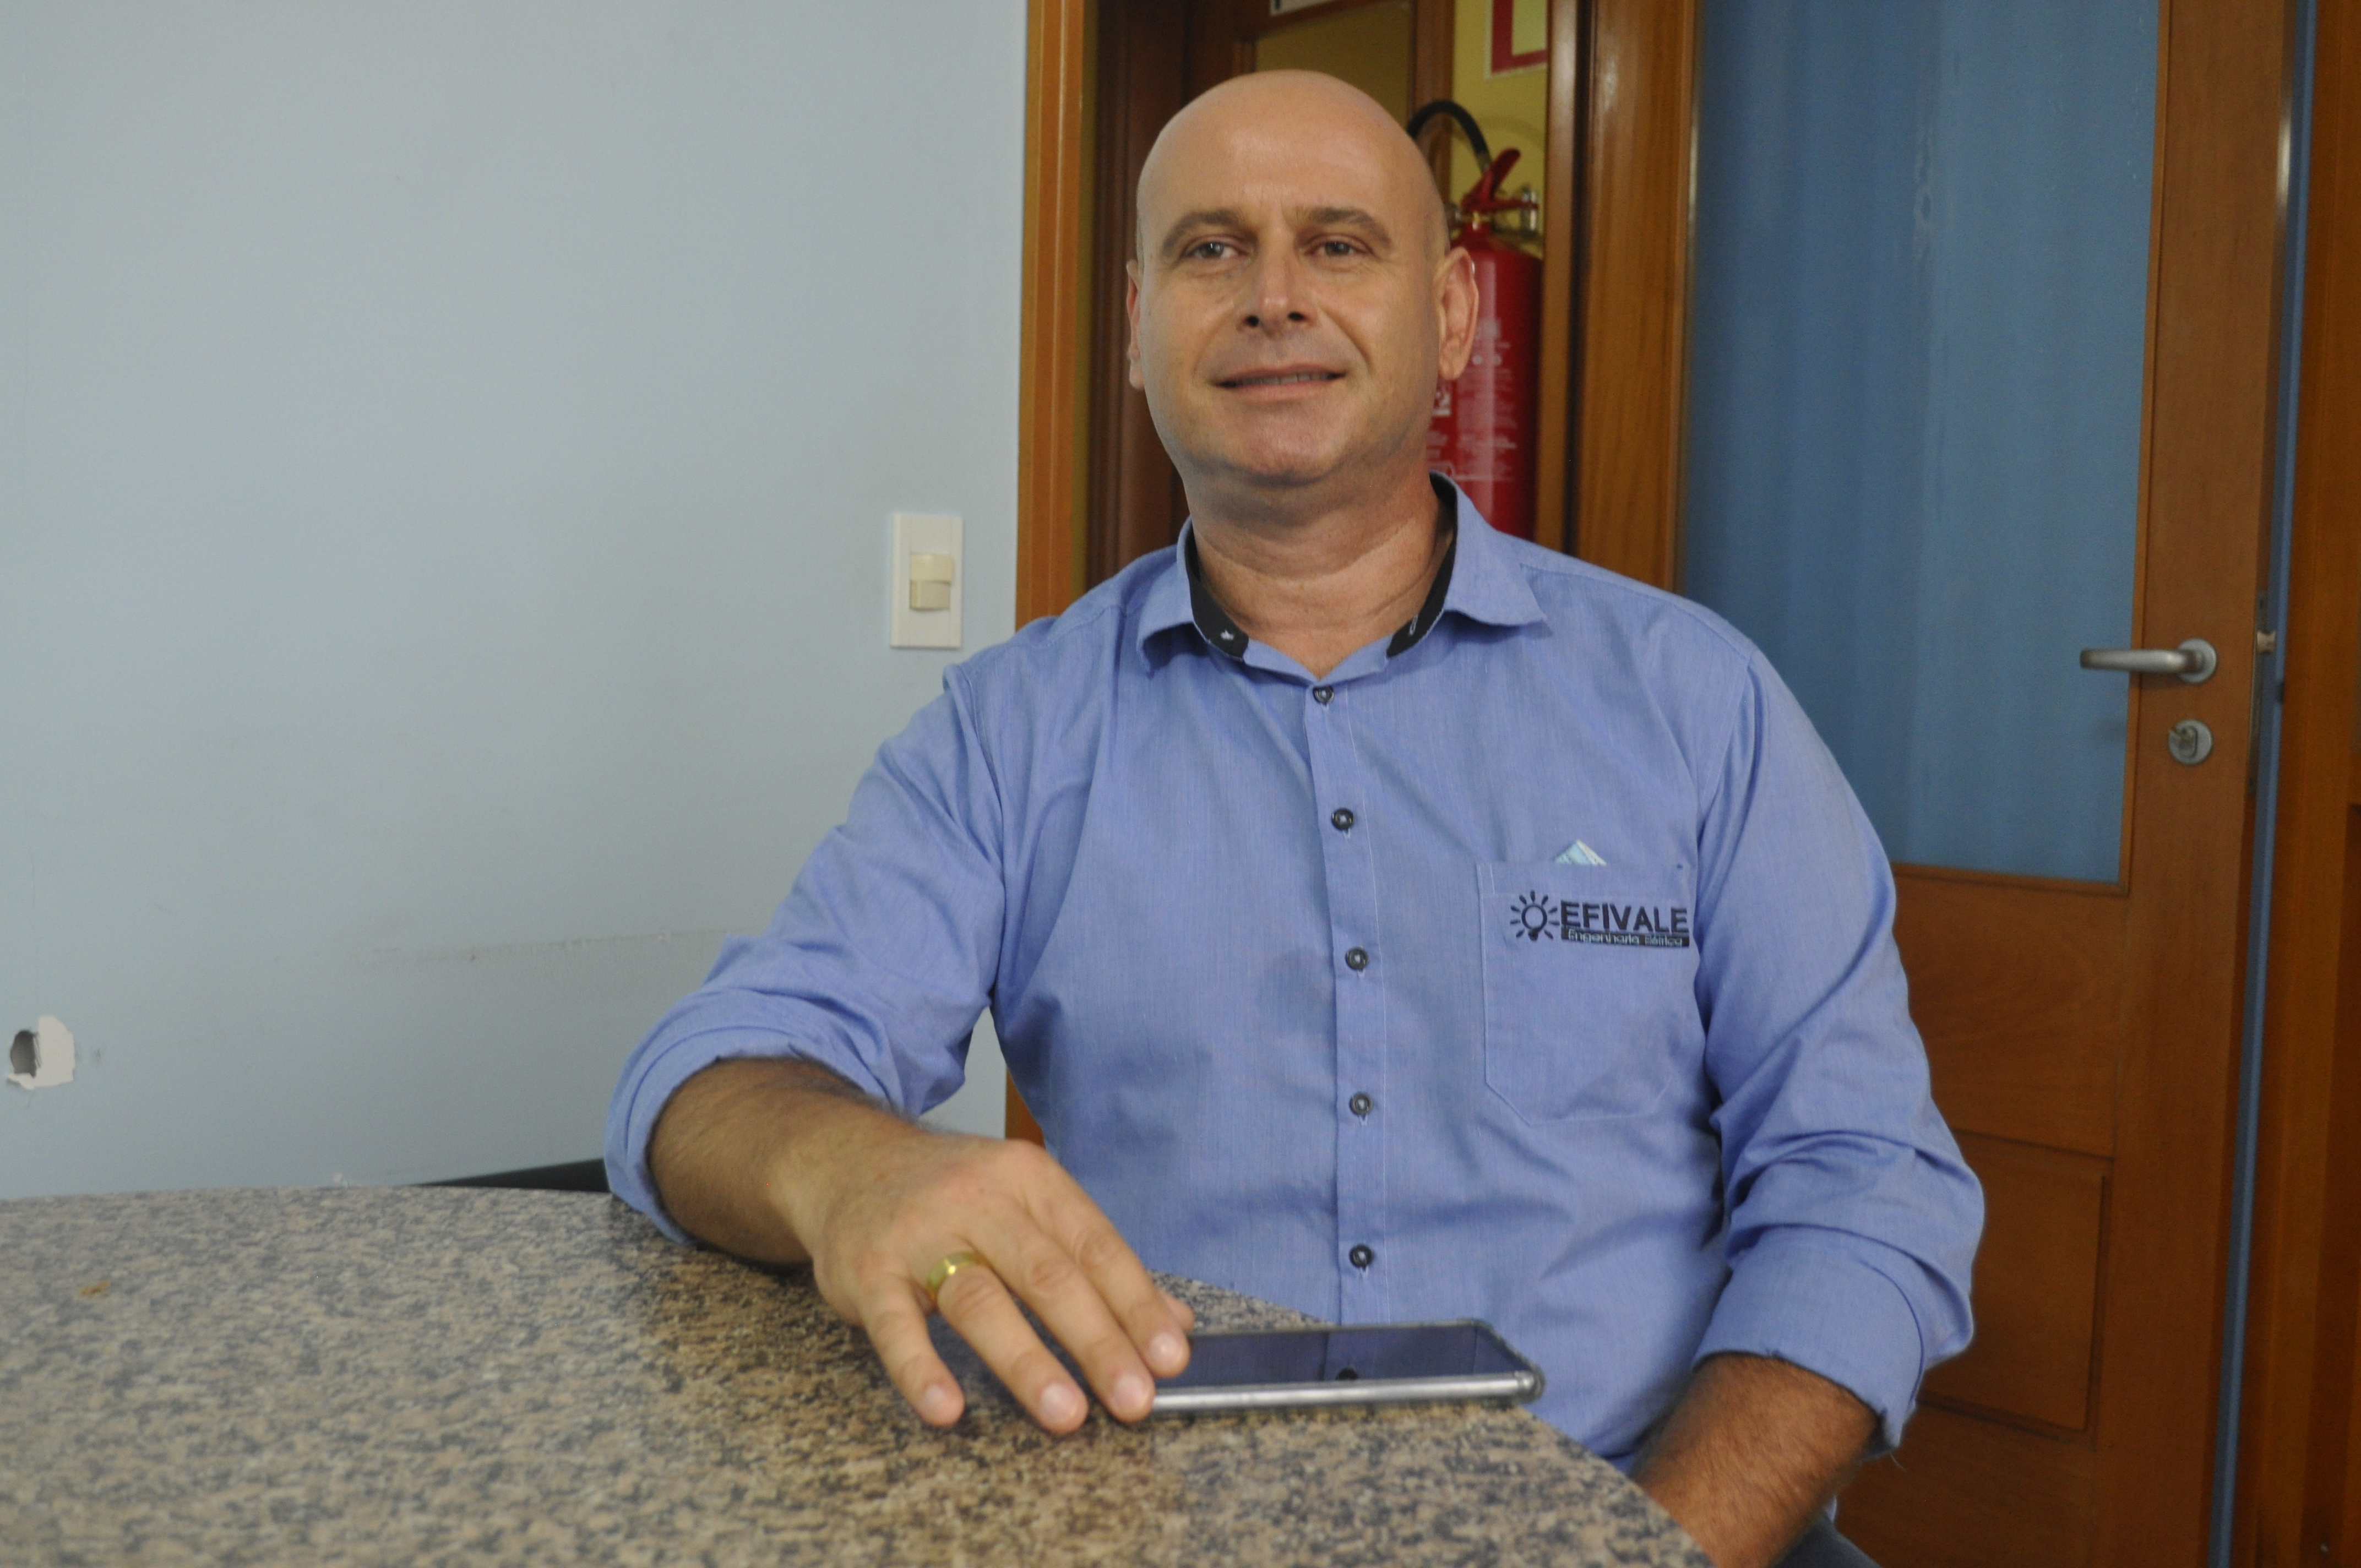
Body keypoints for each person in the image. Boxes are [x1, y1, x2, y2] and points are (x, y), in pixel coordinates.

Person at [605, 70, 1981, 1568]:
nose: (1274, 297)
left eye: (1338, 244)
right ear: (1138, 325)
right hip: (1169, 1527)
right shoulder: (1010, 733)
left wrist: (1655, 1549)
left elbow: (1868, 1189)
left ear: (1451, 317)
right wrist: (847, 1168)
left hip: (1644, 1515)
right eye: (1212, 250)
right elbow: (706, 1080)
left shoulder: (1698, 704)